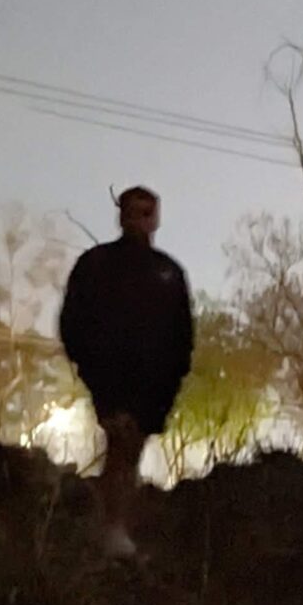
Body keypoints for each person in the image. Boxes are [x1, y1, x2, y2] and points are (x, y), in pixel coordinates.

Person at [58, 184, 194, 558]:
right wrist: (91, 368)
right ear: (121, 215)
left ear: (157, 218)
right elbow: (73, 321)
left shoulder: (168, 272)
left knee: (127, 454)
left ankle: (110, 533)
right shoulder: (97, 265)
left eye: (147, 212)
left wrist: (173, 380)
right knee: (121, 447)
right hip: (110, 378)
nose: (140, 219)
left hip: (153, 385)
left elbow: (182, 334)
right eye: (133, 211)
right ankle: (110, 534)